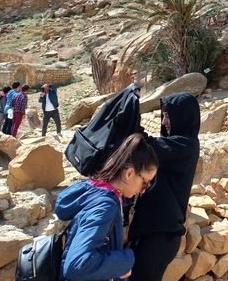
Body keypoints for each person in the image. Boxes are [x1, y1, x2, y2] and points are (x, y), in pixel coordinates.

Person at [56, 133, 158, 281]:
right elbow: (77, 265)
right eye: (145, 182)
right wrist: (124, 261)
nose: (144, 190)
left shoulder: (94, 190)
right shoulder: (105, 206)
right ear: (129, 173)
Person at [128, 92, 200, 281]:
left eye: (169, 115)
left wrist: (130, 112)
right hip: (152, 233)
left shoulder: (186, 145)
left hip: (161, 237)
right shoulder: (175, 145)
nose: (164, 122)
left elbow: (145, 145)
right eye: (163, 115)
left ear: (183, 116)